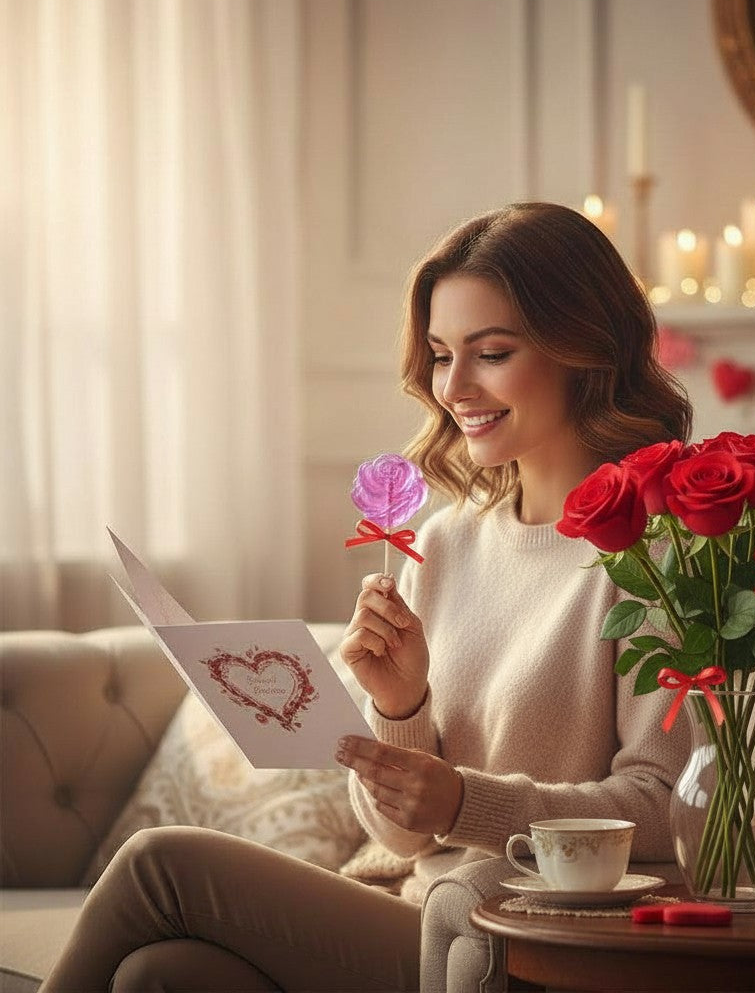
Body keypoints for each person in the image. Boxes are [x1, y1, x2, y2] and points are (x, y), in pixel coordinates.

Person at [41, 202, 693, 992]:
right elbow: (403, 840)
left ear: (585, 352)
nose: (455, 387)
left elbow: (669, 807)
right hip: (426, 918)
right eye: (441, 355)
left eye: (491, 353)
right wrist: (400, 704)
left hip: (526, 937)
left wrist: (465, 802)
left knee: (159, 864)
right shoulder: (444, 544)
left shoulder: (658, 555)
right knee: (162, 975)